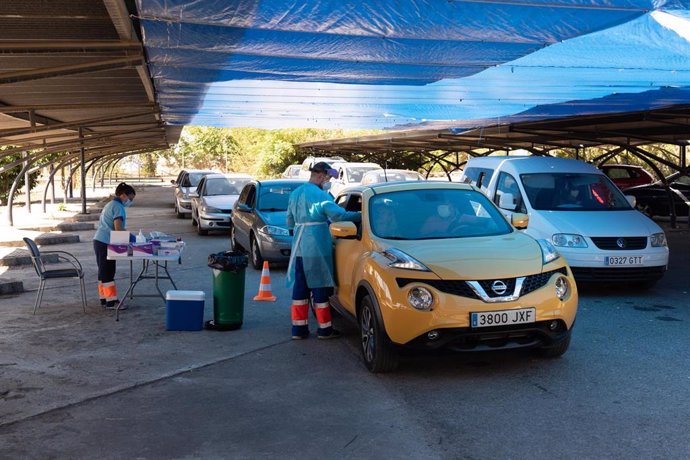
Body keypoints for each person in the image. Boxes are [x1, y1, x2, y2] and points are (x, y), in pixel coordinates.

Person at [286, 161, 361, 340]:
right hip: (317, 246)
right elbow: (339, 215)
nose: (328, 181)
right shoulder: (320, 195)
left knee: (300, 289)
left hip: (299, 247)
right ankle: (325, 330)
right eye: (328, 178)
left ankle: (298, 330)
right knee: (320, 287)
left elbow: (289, 221)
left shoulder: (295, 194)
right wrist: (361, 215)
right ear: (320, 176)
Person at [93, 182, 136, 309]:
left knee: (103, 272)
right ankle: (111, 302)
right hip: (105, 242)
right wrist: (133, 238)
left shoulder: (110, 204)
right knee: (108, 271)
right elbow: (118, 229)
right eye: (130, 198)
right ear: (123, 195)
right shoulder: (118, 207)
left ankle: (104, 299)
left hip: (99, 240)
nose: (130, 201)